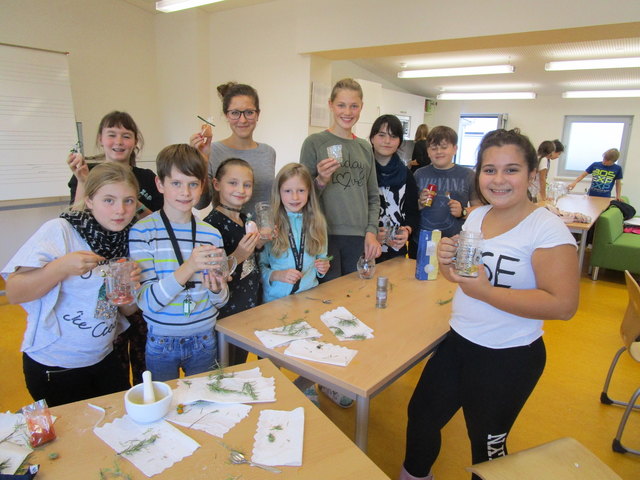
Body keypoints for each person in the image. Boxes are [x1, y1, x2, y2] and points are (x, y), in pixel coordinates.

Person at [400, 128, 580, 480]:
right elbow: (464, 279)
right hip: (459, 341)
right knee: (422, 416)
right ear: (478, 173)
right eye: (489, 169)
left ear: (531, 174)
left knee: (486, 448)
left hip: (508, 356)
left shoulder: (546, 230)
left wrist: (485, 291)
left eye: (511, 170)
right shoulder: (479, 216)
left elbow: (563, 305)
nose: (498, 179)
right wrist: (450, 264)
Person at [2, 163, 141, 406]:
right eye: (109, 200)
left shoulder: (127, 238)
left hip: (104, 358)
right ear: (89, 200)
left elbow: (126, 311)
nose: (120, 210)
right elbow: (14, 292)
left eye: (128, 200)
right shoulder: (62, 230)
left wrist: (129, 290)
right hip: (55, 365)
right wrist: (60, 267)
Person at [67, 111, 162, 384]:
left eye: (126, 135)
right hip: (103, 280)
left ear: (135, 142)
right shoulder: (86, 174)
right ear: (100, 139)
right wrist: (84, 180)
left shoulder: (145, 177)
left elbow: (156, 222)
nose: (118, 141)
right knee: (113, 352)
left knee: (145, 353)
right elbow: (77, 217)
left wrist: (133, 202)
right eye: (112, 134)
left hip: (141, 273)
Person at [129, 144, 229, 381]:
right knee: (165, 409)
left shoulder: (211, 234)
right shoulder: (142, 231)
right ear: (160, 184)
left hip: (205, 337)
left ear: (202, 186)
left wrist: (217, 288)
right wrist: (189, 267)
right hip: (161, 341)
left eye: (193, 184)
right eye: (176, 183)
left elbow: (221, 300)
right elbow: (147, 302)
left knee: (204, 403)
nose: (185, 192)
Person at [259, 163, 352, 407]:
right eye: (288, 191)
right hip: (275, 302)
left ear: (309, 193)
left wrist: (323, 267)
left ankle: (306, 386)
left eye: (301, 191)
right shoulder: (270, 226)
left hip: (307, 299)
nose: (295, 197)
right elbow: (259, 267)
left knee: (309, 347)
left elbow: (321, 257)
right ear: (279, 193)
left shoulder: (317, 221)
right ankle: (270, 389)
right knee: (273, 352)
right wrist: (276, 275)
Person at [300, 78, 381, 281]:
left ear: (361, 107)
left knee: (357, 294)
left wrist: (371, 232)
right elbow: (300, 196)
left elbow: (372, 196)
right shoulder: (314, 143)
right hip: (324, 234)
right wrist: (320, 180)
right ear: (330, 105)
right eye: (341, 105)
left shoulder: (364, 147)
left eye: (354, 106)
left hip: (359, 236)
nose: (347, 112)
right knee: (328, 296)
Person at [203, 158, 262, 365]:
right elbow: (212, 277)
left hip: (246, 308)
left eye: (247, 185)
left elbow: (251, 261)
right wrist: (238, 255)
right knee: (223, 367)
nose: (241, 189)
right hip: (225, 315)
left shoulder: (245, 219)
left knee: (239, 363)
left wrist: (260, 243)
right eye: (233, 183)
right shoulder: (210, 226)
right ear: (217, 184)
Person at [190, 82, 276, 214]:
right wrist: (201, 161)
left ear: (258, 114)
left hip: (264, 232)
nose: (242, 120)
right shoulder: (212, 151)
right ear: (226, 115)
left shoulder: (268, 152)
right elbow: (200, 204)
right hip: (227, 232)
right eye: (235, 113)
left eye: (249, 112)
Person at [411, 125, 481, 257]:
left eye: (444, 147)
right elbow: (409, 209)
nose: (439, 152)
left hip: (454, 244)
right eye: (434, 148)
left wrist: (463, 211)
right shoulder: (419, 174)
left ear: (455, 148)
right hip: (422, 242)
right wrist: (420, 203)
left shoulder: (468, 175)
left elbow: (480, 209)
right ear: (428, 151)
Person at [369, 114, 419, 262]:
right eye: (381, 135)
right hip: (366, 250)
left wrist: (407, 230)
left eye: (393, 136)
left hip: (395, 251)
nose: (387, 141)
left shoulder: (406, 174)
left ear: (399, 142)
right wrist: (371, 233)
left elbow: (413, 213)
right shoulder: (363, 172)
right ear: (372, 138)